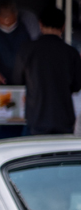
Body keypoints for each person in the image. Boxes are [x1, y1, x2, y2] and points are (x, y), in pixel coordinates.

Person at [13, 7, 81, 135]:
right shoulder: (71, 53)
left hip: (36, 117)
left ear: (40, 24)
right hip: (64, 117)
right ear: (63, 26)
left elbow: (17, 79)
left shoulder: (27, 49)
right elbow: (77, 86)